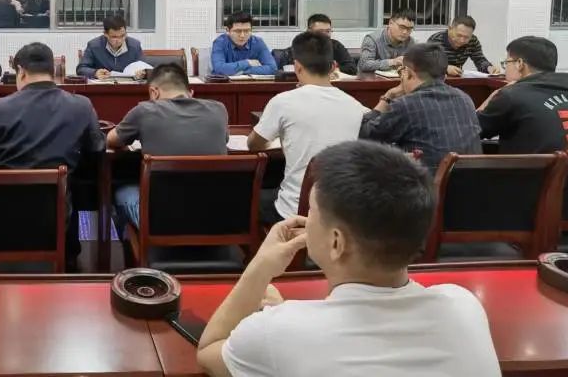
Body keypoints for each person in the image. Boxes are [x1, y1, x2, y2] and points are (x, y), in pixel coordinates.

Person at [197, 141, 501, 377]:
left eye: (312, 211)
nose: (306, 220)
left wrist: (260, 266)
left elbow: (209, 351)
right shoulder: (463, 306)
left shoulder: (277, 332)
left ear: (336, 242)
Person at [0, 42, 104, 268]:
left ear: (21, 71)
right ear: (53, 71)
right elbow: (97, 150)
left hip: (2, 215)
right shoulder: (81, 106)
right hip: (56, 217)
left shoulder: (0, 108)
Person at [249, 32, 366, 225]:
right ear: (333, 67)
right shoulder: (356, 106)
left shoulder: (283, 102)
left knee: (249, 198)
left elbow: (253, 145)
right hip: (342, 212)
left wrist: (282, 142)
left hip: (293, 212)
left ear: (296, 66)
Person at [106, 63, 228, 229]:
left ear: (154, 92)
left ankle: (132, 242)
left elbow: (111, 140)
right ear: (191, 93)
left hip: (162, 220)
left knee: (122, 190)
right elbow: (224, 140)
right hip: (217, 216)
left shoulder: (145, 110)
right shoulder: (219, 110)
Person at [359, 43, 482, 172]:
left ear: (408, 73)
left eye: (401, 71)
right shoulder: (465, 98)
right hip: (473, 181)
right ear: (444, 75)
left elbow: (365, 136)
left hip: (426, 182)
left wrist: (387, 97)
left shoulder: (407, 104)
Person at [478, 36, 568, 152]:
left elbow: (471, 132)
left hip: (535, 165)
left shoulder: (511, 96)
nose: (505, 69)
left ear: (520, 64)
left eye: (506, 63)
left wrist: (495, 95)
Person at [427, 16, 500, 76]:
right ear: (450, 29)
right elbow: (426, 64)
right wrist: (445, 68)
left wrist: (489, 68)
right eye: (459, 35)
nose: (462, 40)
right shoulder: (436, 40)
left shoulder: (473, 41)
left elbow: (480, 60)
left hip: (458, 79)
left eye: (466, 37)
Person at [77, 15, 145, 79]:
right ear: (105, 34)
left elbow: (144, 68)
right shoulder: (94, 45)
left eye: (122, 36)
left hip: (129, 85)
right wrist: (95, 72)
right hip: (103, 85)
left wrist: (143, 72)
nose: (119, 40)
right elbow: (81, 69)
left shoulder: (135, 45)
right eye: (114, 37)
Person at [211, 12, 277, 77]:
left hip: (250, 83)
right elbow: (219, 69)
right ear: (228, 31)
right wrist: (247, 63)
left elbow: (272, 68)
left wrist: (242, 71)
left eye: (246, 31)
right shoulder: (220, 42)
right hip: (225, 83)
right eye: (237, 31)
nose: (242, 35)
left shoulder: (258, 42)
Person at [358, 8, 416, 75]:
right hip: (371, 80)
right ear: (390, 23)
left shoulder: (410, 42)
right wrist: (392, 62)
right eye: (402, 27)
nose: (405, 32)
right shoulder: (372, 39)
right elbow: (364, 64)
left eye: (409, 29)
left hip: (398, 79)